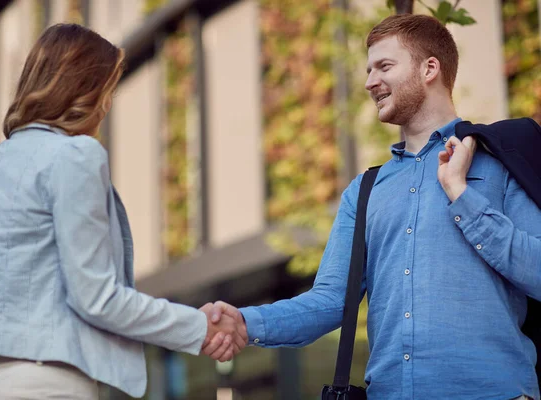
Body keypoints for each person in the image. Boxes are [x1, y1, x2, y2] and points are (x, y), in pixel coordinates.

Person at [205, 14, 541, 400]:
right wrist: (245, 324)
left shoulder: (498, 161)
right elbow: (330, 301)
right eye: (368, 70)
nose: (369, 82)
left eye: (384, 66)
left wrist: (461, 194)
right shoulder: (363, 192)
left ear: (429, 68)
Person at [0, 23, 246, 400]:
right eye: (109, 91)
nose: (107, 106)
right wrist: (199, 328)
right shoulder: (74, 157)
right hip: (48, 388)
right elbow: (96, 298)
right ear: (87, 92)